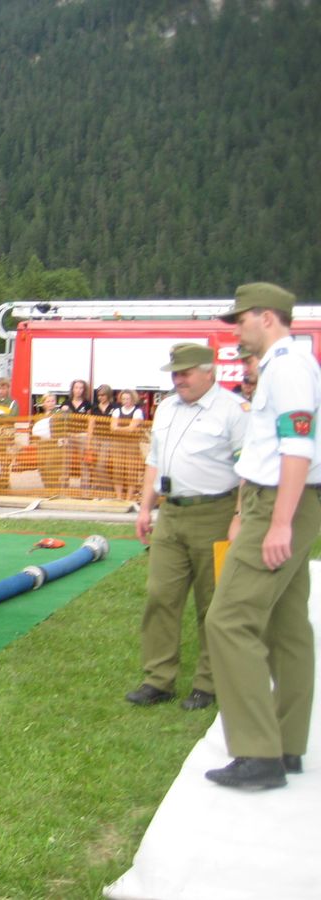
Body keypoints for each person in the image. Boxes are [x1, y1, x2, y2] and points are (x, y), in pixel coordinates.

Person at [203, 283, 321, 790]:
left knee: (229, 621)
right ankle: (287, 745)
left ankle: (258, 752)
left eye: (242, 319)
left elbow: (298, 445)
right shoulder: (289, 364)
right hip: (283, 501)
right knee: (289, 626)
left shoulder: (288, 367)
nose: (237, 329)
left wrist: (277, 522)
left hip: (283, 502)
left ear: (267, 317)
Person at [127, 343, 247, 713]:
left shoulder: (233, 411)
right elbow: (154, 461)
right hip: (172, 515)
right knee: (160, 595)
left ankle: (209, 683)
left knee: (214, 603)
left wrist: (240, 516)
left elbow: (247, 468)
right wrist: (145, 507)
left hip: (216, 513)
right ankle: (158, 679)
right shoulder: (166, 408)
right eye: (175, 373)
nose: (178, 379)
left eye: (185, 372)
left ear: (209, 372)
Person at [109, 388, 145, 502]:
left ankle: (129, 498)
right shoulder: (116, 411)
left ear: (133, 399)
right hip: (118, 444)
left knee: (131, 471)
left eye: (128, 398)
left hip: (132, 445)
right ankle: (119, 497)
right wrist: (126, 428)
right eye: (123, 398)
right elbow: (112, 428)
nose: (126, 401)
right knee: (117, 470)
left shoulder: (138, 411)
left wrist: (119, 428)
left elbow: (132, 429)